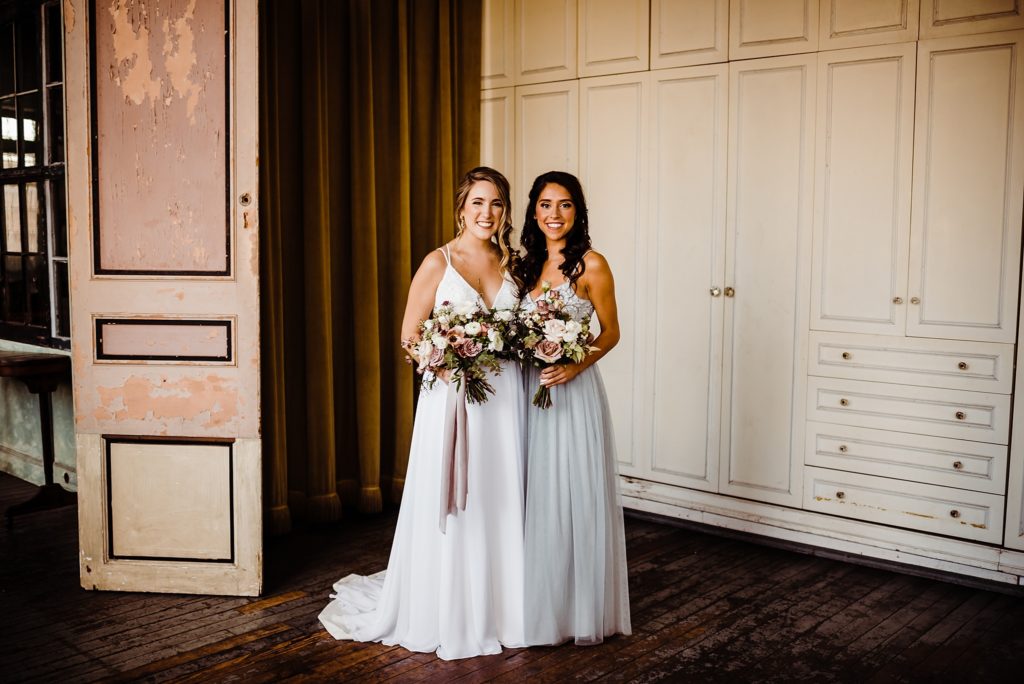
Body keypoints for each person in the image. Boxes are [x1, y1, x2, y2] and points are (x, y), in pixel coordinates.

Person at [318, 167, 527, 660]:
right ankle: (449, 602)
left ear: (505, 211)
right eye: (478, 202)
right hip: (451, 397)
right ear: (462, 209)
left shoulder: (513, 264)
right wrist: (447, 364)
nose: (487, 213)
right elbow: (410, 335)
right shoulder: (439, 261)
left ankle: (504, 605)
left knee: (500, 491)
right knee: (459, 496)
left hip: (505, 399)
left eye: (496, 203)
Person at [514, 170, 632, 646]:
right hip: (527, 389)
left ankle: (572, 610)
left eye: (564, 205)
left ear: (578, 211)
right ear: (533, 211)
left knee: (568, 492)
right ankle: (532, 597)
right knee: (530, 490)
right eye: (545, 205)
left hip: (571, 390)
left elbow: (611, 332)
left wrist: (574, 365)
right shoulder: (524, 266)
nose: (554, 214)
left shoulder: (591, 265)